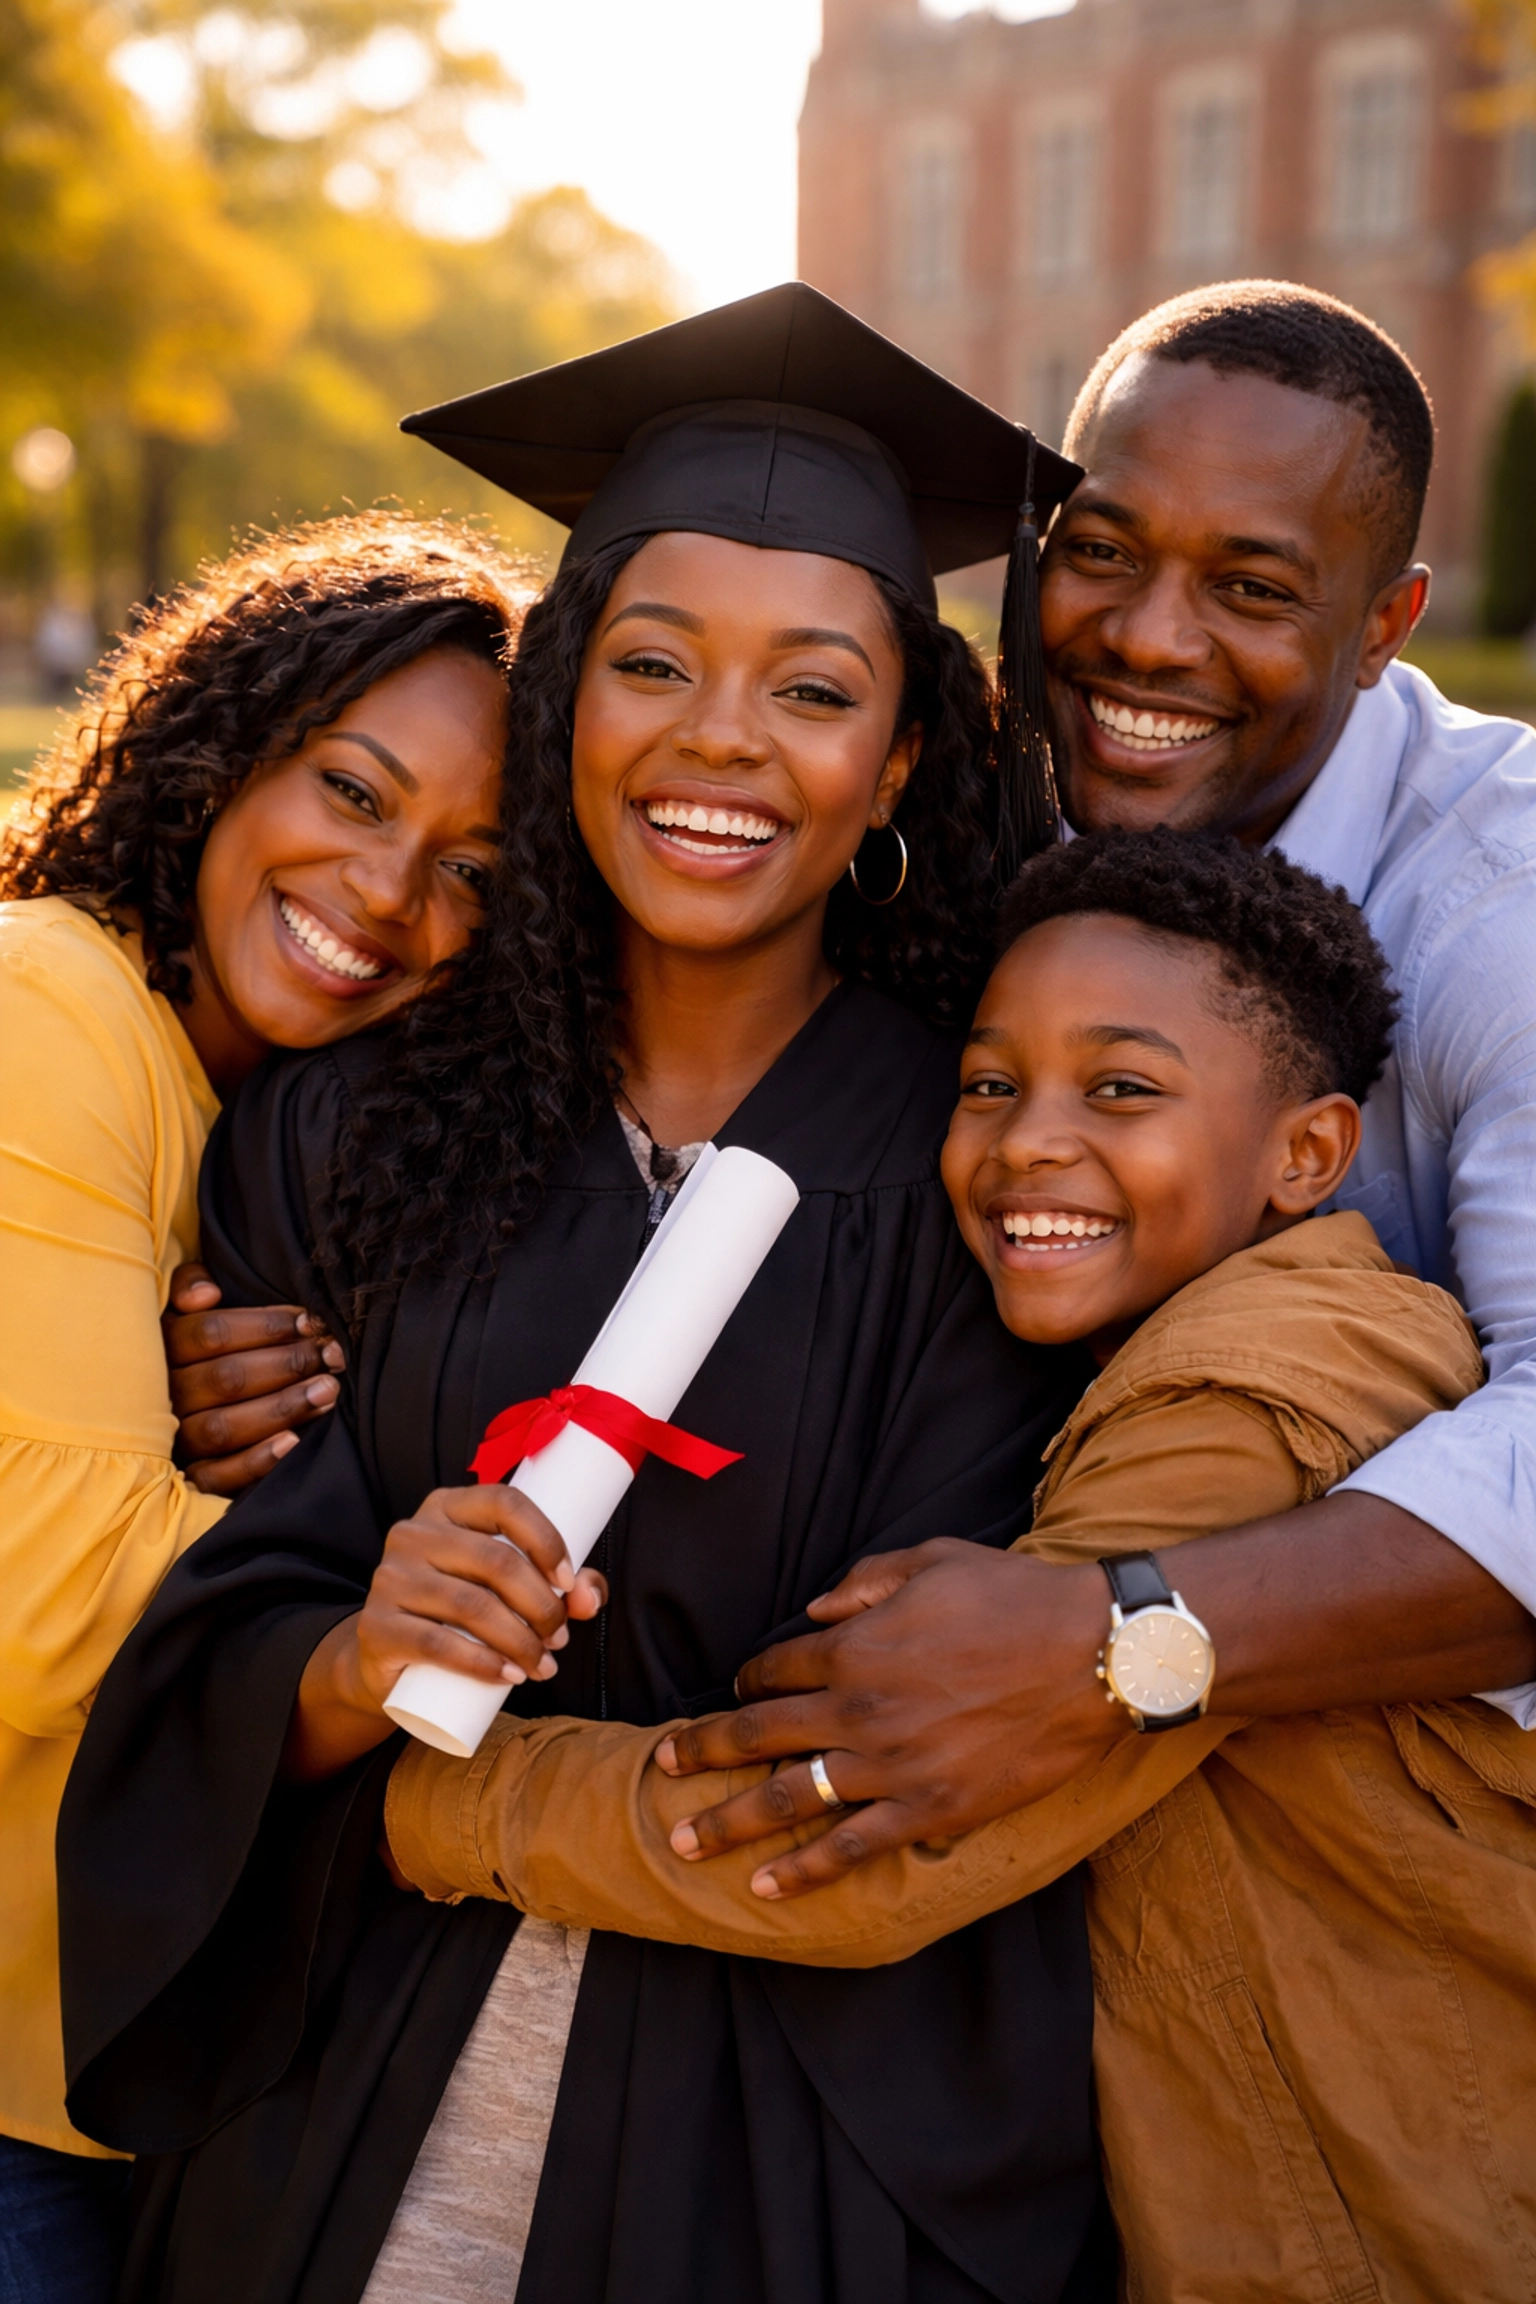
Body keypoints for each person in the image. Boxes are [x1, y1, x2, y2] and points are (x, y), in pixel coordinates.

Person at [56, 286, 1115, 2304]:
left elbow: (928, 1734)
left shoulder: (996, 1179)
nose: (720, 739)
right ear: (564, 711)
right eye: (652, 666)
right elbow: (223, 1645)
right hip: (331, 2132)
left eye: (813, 693)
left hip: (789, 2167)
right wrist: (356, 1662)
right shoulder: (346, 1139)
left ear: (901, 762)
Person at [379, 830, 1536, 2300]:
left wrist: (422, 1798)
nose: (1030, 1140)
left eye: (1121, 1088)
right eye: (989, 1084)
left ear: (1308, 1154)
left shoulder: (1258, 1389)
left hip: (1395, 2220)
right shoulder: (1145, 1347)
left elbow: (879, 1847)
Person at [622, 278, 1536, 1889]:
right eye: (1102, 551)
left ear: (1385, 625)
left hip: (1396, 1856)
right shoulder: (973, 818)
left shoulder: (1501, 901)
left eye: (1251, 587)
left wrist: (1116, 1643)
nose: (1147, 638)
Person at [0, 512, 525, 2304]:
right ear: (223, 749)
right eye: (357, 793)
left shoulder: (273, 1118)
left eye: (473, 868)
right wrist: (357, 1563)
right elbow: (50, 1596)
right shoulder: (48, 1011)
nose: (387, 897)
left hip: (90, 2053)